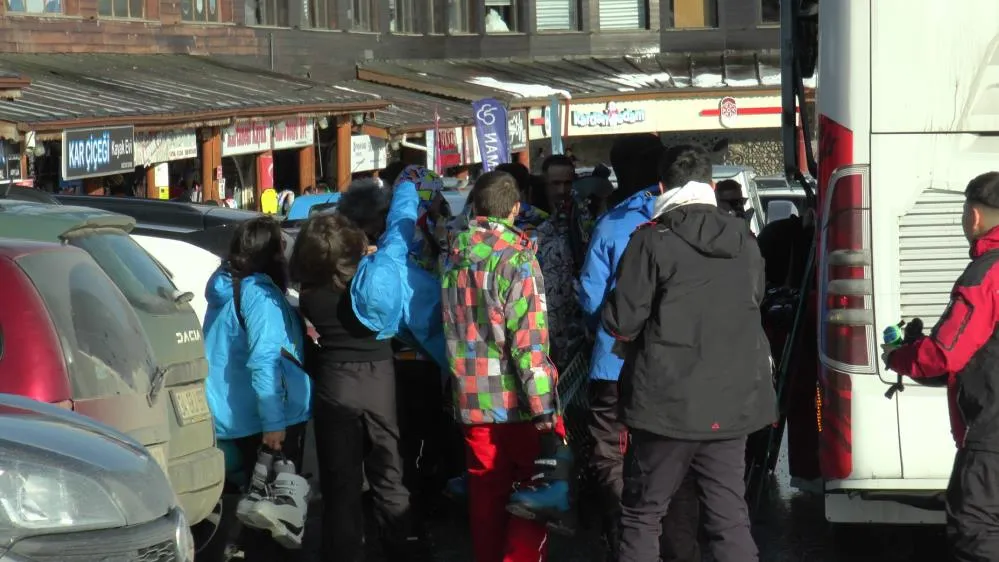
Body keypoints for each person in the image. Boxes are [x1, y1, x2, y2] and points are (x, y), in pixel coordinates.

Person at [602, 145, 776, 562]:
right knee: (729, 517)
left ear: (663, 187)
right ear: (712, 186)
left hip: (666, 405)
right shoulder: (745, 240)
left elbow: (621, 321)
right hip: (734, 401)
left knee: (644, 514)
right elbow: (756, 300)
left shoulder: (651, 241)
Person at [291, 181, 432, 561]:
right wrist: (405, 187)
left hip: (334, 381)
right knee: (389, 471)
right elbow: (399, 231)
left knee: (342, 485)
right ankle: (403, 549)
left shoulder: (309, 290)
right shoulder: (372, 278)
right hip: (380, 378)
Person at [578, 134, 701, 562]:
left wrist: (609, 334)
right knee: (676, 468)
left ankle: (625, 546)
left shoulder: (612, 223)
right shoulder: (690, 218)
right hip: (675, 368)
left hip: (613, 366)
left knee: (612, 460)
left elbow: (592, 298)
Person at [440, 170, 563, 562]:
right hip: (518, 402)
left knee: (486, 497)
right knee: (534, 493)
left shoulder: (453, 256)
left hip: (472, 399)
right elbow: (529, 340)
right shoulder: (517, 257)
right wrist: (543, 406)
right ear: (516, 208)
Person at [882, 172, 999, 561]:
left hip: (992, 436)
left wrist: (899, 356)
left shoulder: (985, 276)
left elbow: (945, 353)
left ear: (974, 218)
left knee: (975, 529)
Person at [203, 217, 312, 558]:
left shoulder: (226, 286)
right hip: (262, 416)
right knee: (273, 518)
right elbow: (264, 361)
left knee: (251, 510)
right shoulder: (260, 295)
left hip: (230, 412)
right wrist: (274, 422)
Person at [535, 154, 584, 367]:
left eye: (567, 183)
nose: (561, 190)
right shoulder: (529, 218)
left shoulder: (582, 216)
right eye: (555, 183)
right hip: (538, 322)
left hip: (573, 324)